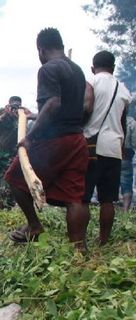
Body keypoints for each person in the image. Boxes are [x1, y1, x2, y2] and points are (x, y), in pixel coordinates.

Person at [5, 28, 89, 251]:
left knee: (14, 176)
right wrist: (34, 115)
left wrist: (30, 137)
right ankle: (78, 249)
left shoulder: (48, 69)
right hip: (76, 139)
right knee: (75, 197)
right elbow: (68, 105)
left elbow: (53, 104)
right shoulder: (77, 70)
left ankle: (34, 226)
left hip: (55, 142)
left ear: (41, 49)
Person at [82, 50, 132, 245]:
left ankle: (80, 241)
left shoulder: (91, 83)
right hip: (114, 148)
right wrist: (121, 146)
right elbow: (122, 122)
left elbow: (86, 110)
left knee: (83, 198)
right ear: (113, 67)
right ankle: (103, 241)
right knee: (108, 200)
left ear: (93, 68)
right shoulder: (123, 89)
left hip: (91, 146)